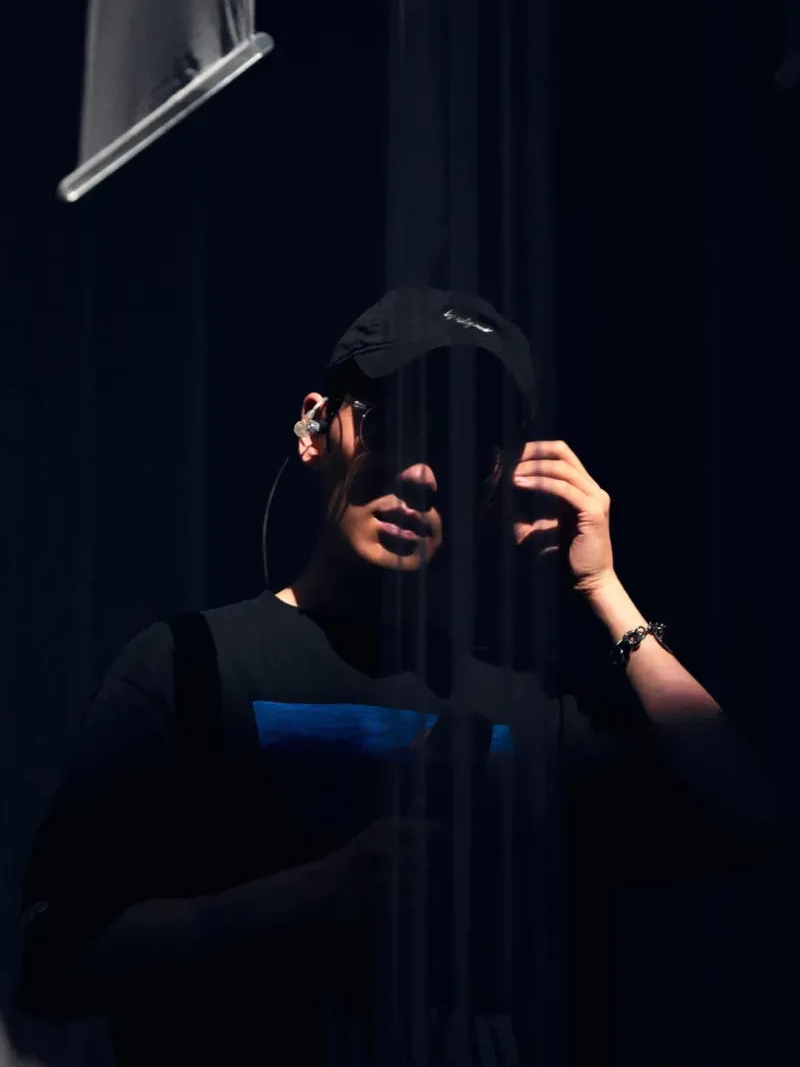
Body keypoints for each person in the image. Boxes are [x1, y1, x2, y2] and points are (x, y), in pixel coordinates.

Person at [17, 287, 781, 1067]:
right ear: (316, 428)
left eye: (461, 452)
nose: (419, 473)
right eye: (391, 426)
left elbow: (745, 818)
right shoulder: (188, 667)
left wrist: (602, 588)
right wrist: (317, 896)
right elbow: (52, 963)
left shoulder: (528, 706)